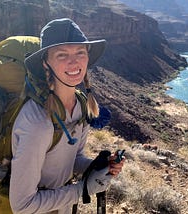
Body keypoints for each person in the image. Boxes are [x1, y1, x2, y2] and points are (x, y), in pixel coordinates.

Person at [9, 18, 124, 214]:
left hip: (61, 207)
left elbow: (71, 159)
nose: (74, 61)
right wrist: (82, 190)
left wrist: (98, 165)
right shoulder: (38, 123)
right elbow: (22, 205)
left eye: (80, 52)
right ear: (46, 63)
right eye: (62, 54)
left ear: (87, 57)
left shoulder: (81, 105)